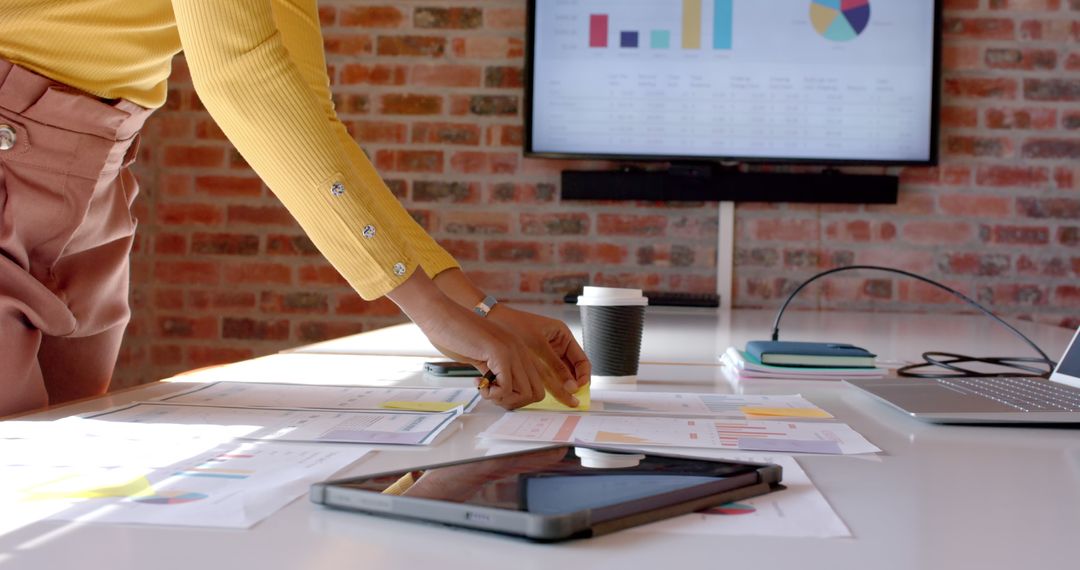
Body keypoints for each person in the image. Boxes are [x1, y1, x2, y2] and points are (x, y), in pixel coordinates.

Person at [0, 1, 590, 417]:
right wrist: (426, 307)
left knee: (67, 455)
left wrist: (476, 307)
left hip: (96, 170)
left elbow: (303, 109)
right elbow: (240, 76)